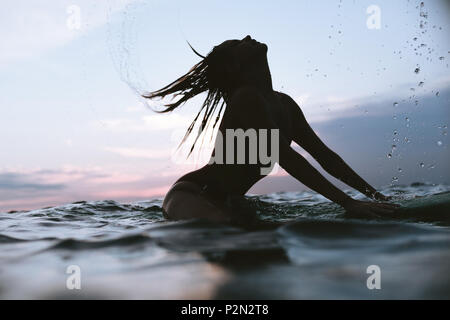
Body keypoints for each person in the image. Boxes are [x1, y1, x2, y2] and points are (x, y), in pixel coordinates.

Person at [143, 35, 399, 225]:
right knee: (229, 237)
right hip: (192, 195)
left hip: (229, 199)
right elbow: (285, 157)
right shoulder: (245, 99)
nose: (246, 38)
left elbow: (326, 157)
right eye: (235, 45)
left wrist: (376, 197)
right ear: (234, 66)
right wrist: (348, 203)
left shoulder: (285, 104)